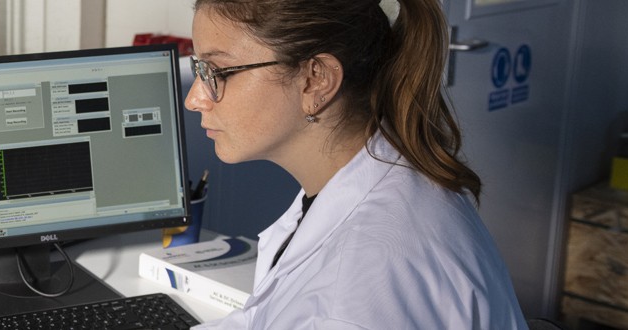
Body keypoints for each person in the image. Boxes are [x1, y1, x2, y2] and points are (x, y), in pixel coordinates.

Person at [183, 0, 526, 328]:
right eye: (198, 68)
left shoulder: (353, 292)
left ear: (316, 79)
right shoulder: (381, 169)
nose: (194, 99)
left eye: (217, 71)